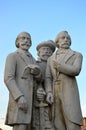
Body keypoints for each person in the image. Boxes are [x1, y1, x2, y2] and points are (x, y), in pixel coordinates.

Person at [45, 31, 83, 130]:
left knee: (72, 122)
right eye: (63, 38)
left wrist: (60, 66)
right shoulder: (50, 58)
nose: (66, 40)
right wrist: (49, 92)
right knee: (57, 123)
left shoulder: (77, 55)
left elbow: (76, 70)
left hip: (69, 93)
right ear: (57, 42)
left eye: (68, 38)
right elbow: (48, 77)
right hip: (54, 93)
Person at [4, 32, 41, 130]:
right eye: (23, 38)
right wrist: (19, 97)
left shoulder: (33, 60)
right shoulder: (12, 56)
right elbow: (8, 78)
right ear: (17, 42)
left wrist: (37, 74)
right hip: (20, 100)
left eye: (28, 39)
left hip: (33, 102)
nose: (26, 41)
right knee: (20, 126)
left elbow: (39, 79)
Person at [32, 40, 56, 130]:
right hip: (41, 98)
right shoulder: (36, 64)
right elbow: (35, 81)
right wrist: (39, 89)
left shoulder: (55, 64)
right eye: (44, 50)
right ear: (38, 53)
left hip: (56, 95)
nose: (46, 52)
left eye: (49, 50)